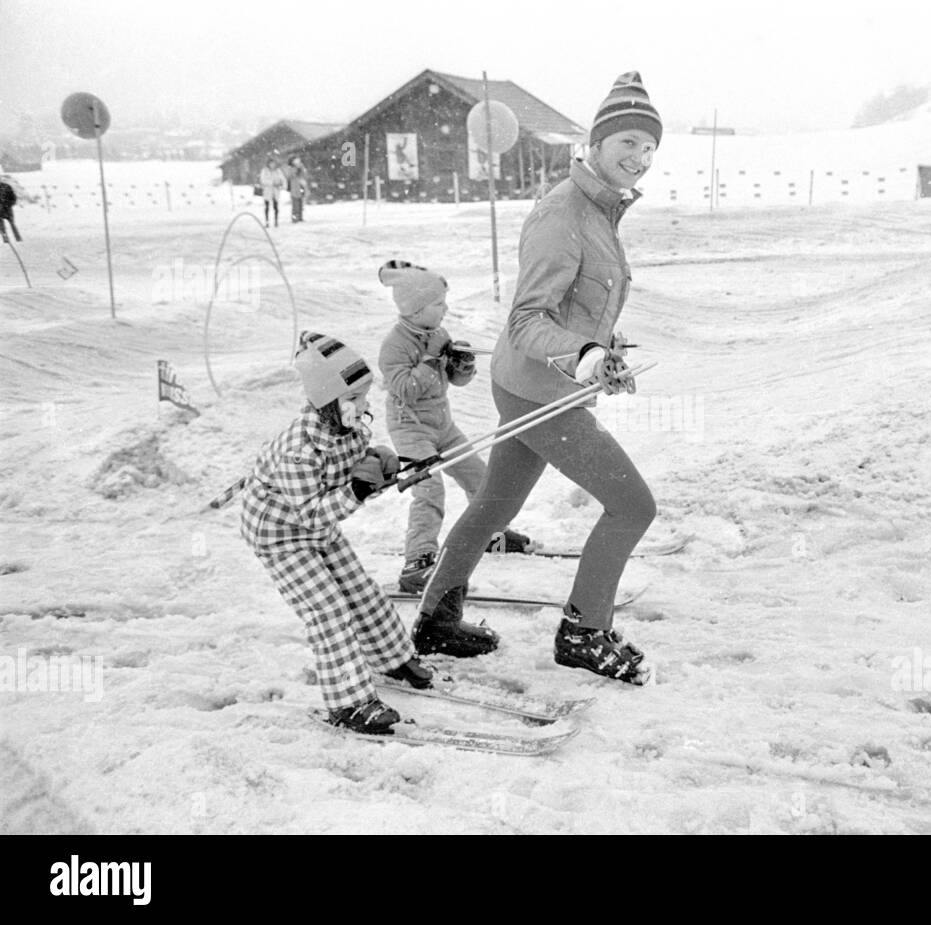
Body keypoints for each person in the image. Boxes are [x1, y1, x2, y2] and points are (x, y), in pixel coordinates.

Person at [413, 71, 661, 684]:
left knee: (497, 501)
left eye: (648, 146)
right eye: (627, 142)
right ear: (596, 144)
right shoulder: (563, 213)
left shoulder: (599, 210)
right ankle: (583, 632)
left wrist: (604, 353)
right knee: (632, 506)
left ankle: (436, 618)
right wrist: (582, 355)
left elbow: (577, 306)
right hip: (540, 388)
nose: (639, 157)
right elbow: (528, 318)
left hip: (535, 381)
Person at [239, 330, 434, 734]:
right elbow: (312, 514)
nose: (363, 407)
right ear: (327, 400)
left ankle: (392, 657)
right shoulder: (298, 452)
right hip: (281, 535)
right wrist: (357, 490)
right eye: (353, 399)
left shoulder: (353, 428)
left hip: (318, 526)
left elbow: (352, 475)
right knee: (328, 610)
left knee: (361, 591)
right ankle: (349, 703)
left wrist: (383, 470)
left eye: (364, 396)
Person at [376, 259, 533, 602]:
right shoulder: (394, 345)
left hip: (442, 423)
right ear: (415, 310)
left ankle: (490, 534)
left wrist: (462, 365)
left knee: (480, 476)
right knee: (429, 491)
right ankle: (417, 563)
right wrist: (432, 358)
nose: (445, 308)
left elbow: (454, 380)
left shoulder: (438, 334)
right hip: (410, 429)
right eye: (437, 304)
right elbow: (404, 389)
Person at [258, 156, 287, 228]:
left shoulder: (278, 171)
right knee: (267, 206)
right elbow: (262, 180)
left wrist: (282, 185)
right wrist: (272, 183)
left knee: (276, 207)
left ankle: (276, 221)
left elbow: (283, 179)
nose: (272, 165)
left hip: (275, 191)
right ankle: (267, 221)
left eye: (273, 163)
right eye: (271, 163)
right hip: (267, 191)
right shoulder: (264, 171)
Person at [287, 156, 309, 223]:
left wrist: (301, 168)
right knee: (295, 204)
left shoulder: (302, 167)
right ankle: (295, 218)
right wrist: (296, 169)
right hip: (295, 188)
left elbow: (305, 174)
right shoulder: (291, 168)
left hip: (301, 187)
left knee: (301, 204)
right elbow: (290, 175)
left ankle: (300, 217)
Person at [0, 175, 21, 243]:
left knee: (12, 224)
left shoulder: (6, 187)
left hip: (7, 210)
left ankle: (18, 238)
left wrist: (7, 205)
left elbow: (13, 198)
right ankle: (6, 240)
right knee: (2, 227)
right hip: (3, 210)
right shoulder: (6, 186)